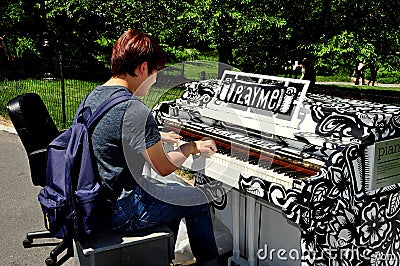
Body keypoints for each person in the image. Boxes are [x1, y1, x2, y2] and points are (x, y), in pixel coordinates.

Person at [79, 29, 219, 265]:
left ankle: (163, 257)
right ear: (143, 68)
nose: (155, 79)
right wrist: (190, 147)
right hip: (121, 211)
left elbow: (111, 134)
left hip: (94, 202)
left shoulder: (93, 96)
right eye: (155, 72)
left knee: (170, 196)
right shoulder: (133, 109)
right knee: (196, 199)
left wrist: (158, 136)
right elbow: (162, 168)